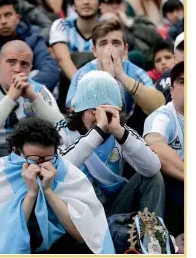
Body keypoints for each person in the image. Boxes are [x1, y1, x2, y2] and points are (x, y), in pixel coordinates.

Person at [0, 117, 115, 254]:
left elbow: (84, 236)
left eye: (48, 159)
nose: (41, 166)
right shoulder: (3, 176)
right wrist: (31, 194)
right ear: (16, 151)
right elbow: (2, 239)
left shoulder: (68, 173)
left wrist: (48, 191)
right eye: (33, 160)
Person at [57, 70, 164, 217]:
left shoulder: (120, 132)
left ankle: (152, 237)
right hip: (77, 215)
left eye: (106, 111)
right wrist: (97, 133)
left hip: (114, 209)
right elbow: (57, 171)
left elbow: (153, 167)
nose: (99, 118)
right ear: (80, 110)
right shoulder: (62, 131)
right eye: (93, 111)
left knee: (153, 177)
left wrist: (119, 132)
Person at [0, 40, 62, 160]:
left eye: (24, 64)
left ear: (30, 68)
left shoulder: (38, 90)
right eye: (11, 62)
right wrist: (10, 98)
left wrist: (34, 99)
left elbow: (62, 128)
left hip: (29, 153)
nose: (17, 69)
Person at [66, 20, 165, 118]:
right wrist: (107, 78)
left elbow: (158, 107)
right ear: (94, 51)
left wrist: (122, 76)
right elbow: (73, 109)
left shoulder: (134, 71)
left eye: (116, 43)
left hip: (126, 125)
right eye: (103, 44)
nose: (110, 49)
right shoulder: (83, 73)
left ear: (125, 49)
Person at [143, 61, 184, 236]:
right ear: (172, 90)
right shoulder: (163, 116)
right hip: (174, 187)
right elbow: (155, 145)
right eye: (182, 81)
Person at [49, 0, 104, 81]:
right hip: (69, 83)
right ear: (73, 5)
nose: (86, 2)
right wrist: (81, 85)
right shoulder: (61, 25)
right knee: (78, 57)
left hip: (103, 80)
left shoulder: (109, 27)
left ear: (100, 4)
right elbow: (63, 59)